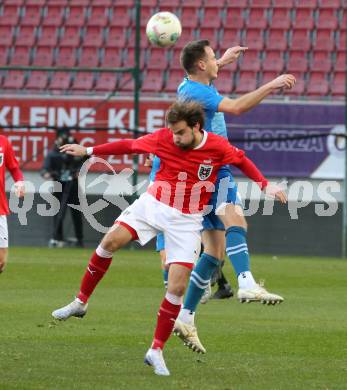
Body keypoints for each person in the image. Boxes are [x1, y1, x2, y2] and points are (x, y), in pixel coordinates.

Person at [51, 101, 287, 376]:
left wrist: (264, 184)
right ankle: (80, 302)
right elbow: (128, 145)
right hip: (153, 204)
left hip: (187, 221)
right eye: (173, 132)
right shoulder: (164, 138)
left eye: (181, 133)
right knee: (109, 242)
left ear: (197, 127)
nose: (175, 138)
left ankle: (156, 350)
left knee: (176, 287)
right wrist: (88, 151)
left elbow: (242, 160)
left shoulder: (217, 147)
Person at [168, 40, 296, 354]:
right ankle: (247, 282)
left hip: (202, 172)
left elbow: (203, 76)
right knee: (236, 218)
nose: (216, 62)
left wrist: (222, 61)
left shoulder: (189, 84)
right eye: (212, 57)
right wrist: (272, 84)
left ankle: (185, 315)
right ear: (200, 64)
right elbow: (237, 107)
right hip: (211, 169)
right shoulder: (198, 93)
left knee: (213, 251)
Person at [41, 130, 85, 247]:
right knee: (58, 212)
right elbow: (45, 169)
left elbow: (86, 157)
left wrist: (78, 170)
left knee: (76, 213)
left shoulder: (74, 151)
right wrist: (47, 174)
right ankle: (57, 238)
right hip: (59, 185)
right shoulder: (53, 154)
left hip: (73, 186)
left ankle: (79, 239)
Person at [0, 135, 25, 273]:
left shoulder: (3, 142)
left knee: (1, 262)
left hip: (0, 207)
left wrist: (19, 182)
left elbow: (14, 168)